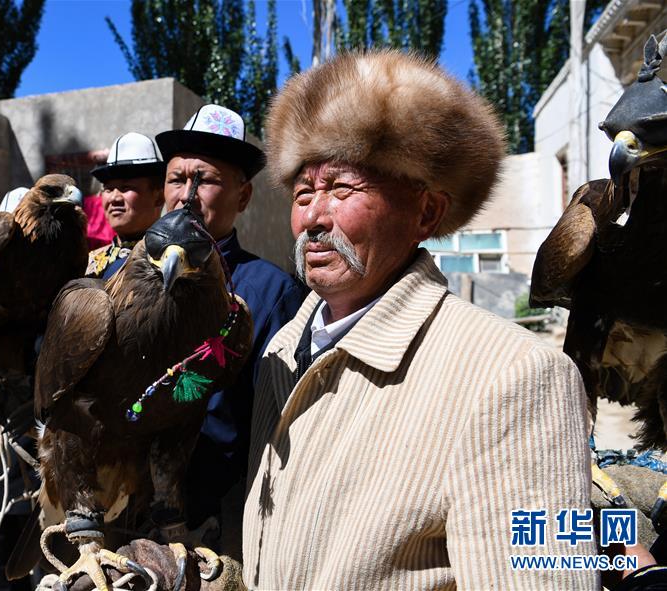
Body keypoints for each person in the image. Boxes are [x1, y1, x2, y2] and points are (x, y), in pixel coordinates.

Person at [241, 51, 597, 589]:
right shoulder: (282, 350)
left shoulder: (517, 376)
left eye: (341, 189)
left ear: (426, 213)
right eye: (303, 193)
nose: (312, 217)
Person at [155, 105, 308, 555]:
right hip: (126, 502)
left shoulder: (270, 291)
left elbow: (274, 421)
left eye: (204, 180)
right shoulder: (123, 275)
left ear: (243, 197)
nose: (186, 196)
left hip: (214, 516)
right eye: (177, 179)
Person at [86, 132, 166, 279]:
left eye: (126, 187)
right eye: (108, 189)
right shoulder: (89, 263)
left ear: (159, 197)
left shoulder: (173, 261)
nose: (114, 198)